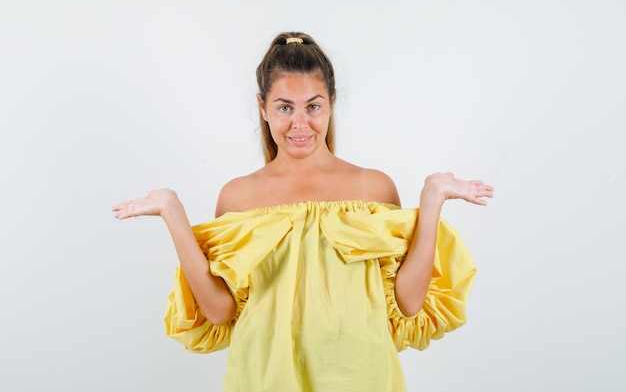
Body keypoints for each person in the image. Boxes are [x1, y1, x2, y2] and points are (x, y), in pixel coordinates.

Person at [112, 32, 494, 392]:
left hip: (360, 376)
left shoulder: (373, 188)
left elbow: (408, 304)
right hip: (265, 377)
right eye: (284, 107)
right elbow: (218, 311)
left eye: (313, 106)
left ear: (331, 101)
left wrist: (431, 200)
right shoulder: (238, 197)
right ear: (262, 107)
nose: (300, 124)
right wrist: (173, 214)